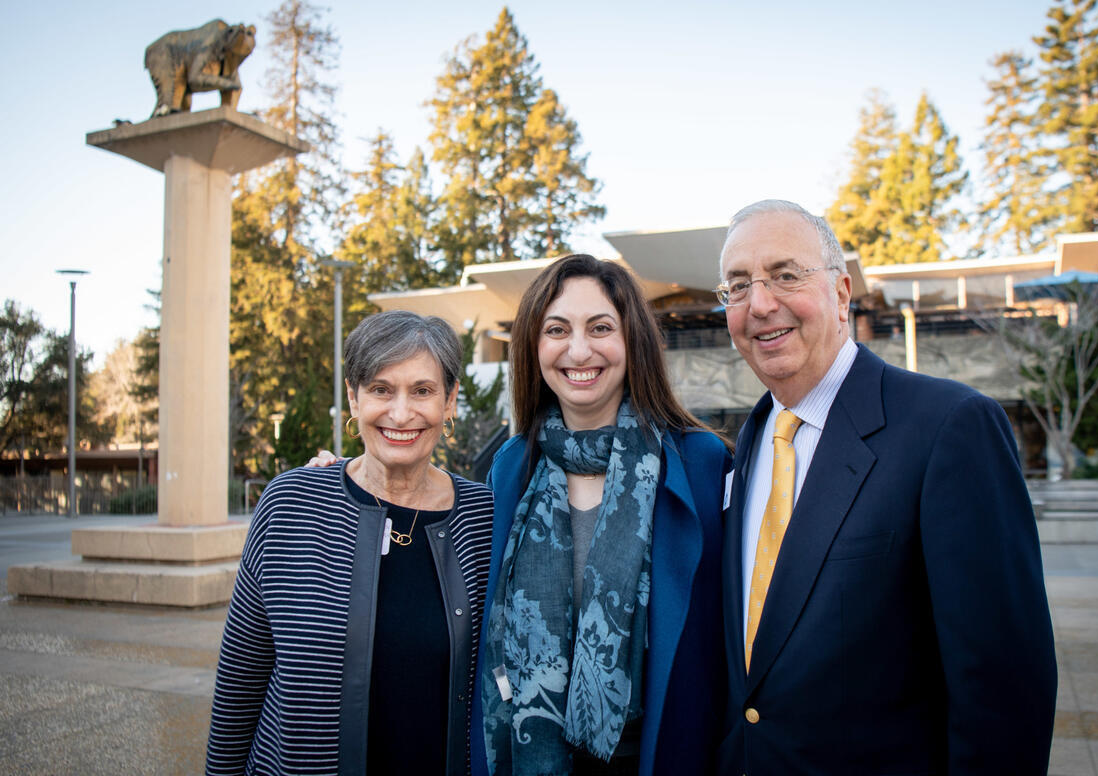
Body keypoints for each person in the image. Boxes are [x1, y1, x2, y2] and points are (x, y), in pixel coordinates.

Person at [715, 200, 1057, 774]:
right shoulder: (746, 444)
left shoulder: (949, 426)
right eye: (738, 286)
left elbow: (1002, 688)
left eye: (786, 275)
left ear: (842, 294)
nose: (761, 303)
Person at [473, 254, 731, 776]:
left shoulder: (702, 463)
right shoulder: (508, 468)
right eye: (557, 329)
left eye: (600, 328)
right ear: (534, 346)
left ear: (632, 339)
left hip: (662, 756)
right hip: (529, 756)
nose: (579, 349)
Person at [205, 311, 493, 776]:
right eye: (381, 389)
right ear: (353, 398)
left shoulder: (485, 518)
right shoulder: (291, 504)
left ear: (450, 400)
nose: (401, 413)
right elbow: (242, 675)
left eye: (422, 390)